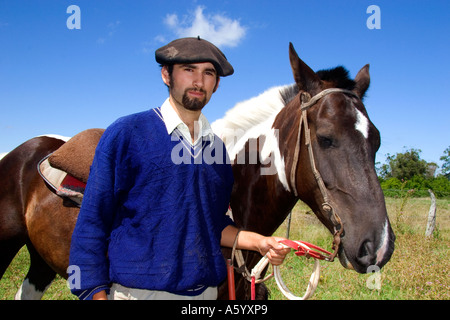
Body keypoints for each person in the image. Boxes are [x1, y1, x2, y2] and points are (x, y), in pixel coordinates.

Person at [69, 37, 290, 300]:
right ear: (166, 75)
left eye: (208, 73)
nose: (199, 81)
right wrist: (94, 292)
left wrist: (260, 242)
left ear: (216, 84)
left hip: (206, 295)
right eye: (189, 70)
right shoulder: (128, 133)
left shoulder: (217, 151)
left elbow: (213, 223)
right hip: (139, 293)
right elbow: (93, 221)